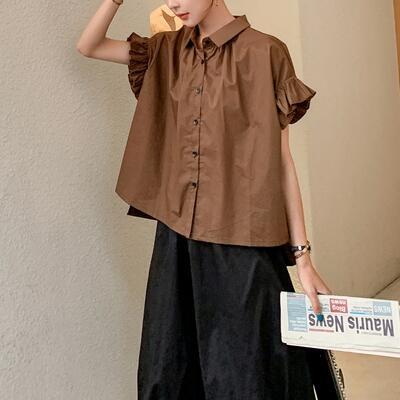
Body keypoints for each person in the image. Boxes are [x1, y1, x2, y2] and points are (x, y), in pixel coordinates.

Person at [77, 1, 333, 399]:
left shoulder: (266, 52)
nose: (174, 3)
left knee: (249, 376)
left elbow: (281, 161)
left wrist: (303, 258)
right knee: (170, 371)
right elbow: (89, 45)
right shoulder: (164, 51)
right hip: (177, 243)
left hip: (243, 244)